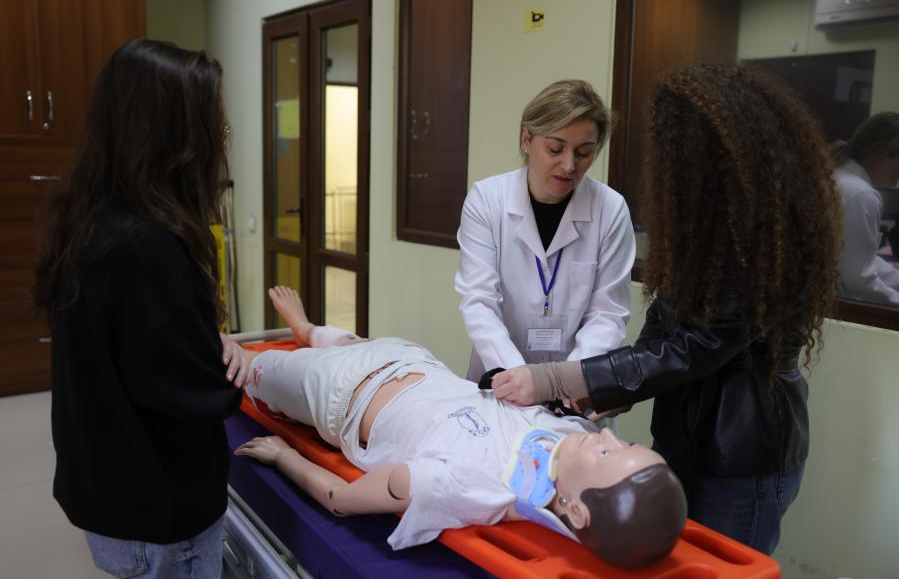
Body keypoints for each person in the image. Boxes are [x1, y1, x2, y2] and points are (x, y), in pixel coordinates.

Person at [488, 62, 843, 555]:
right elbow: (668, 315)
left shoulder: (762, 232)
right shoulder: (711, 216)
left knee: (720, 563)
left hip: (741, 449)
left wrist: (559, 378)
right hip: (684, 432)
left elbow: (699, 344)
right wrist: (614, 389)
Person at [235, 287, 686, 569]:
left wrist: (283, 455)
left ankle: (304, 340)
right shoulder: (574, 436)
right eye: (624, 442)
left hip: (338, 394)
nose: (605, 436)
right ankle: (307, 330)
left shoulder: (469, 486)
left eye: (607, 454)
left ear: (576, 510)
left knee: (239, 361)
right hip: (412, 358)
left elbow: (341, 501)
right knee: (355, 342)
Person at [33, 39, 255, 578]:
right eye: (216, 127)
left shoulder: (91, 220)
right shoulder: (147, 247)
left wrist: (202, 337)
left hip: (107, 491)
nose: (223, 141)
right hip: (157, 513)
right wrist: (235, 363)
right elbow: (203, 389)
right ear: (177, 139)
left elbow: (138, 346)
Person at [454, 79, 636, 388]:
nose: (569, 165)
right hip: (501, 377)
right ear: (526, 139)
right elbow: (479, 301)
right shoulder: (487, 200)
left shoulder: (610, 209)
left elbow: (608, 313)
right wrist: (519, 378)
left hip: (573, 387)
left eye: (584, 152)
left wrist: (562, 383)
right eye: (555, 148)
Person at [831, 112, 899, 306]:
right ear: (886, 153)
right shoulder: (861, 194)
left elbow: (859, 258)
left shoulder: (842, 177)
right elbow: (858, 279)